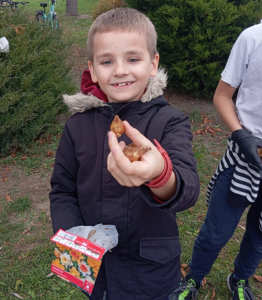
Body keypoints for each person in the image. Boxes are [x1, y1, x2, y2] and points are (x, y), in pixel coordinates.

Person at [49, 8, 200, 300]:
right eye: (107, 61)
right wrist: (74, 240)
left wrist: (160, 174)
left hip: (151, 273)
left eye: (133, 59)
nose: (120, 70)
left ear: (153, 63)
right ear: (92, 69)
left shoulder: (170, 121)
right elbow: (63, 189)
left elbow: (188, 188)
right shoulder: (76, 126)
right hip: (98, 270)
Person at [170, 22, 262, 300]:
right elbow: (222, 96)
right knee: (216, 232)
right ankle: (193, 279)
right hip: (243, 158)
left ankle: (240, 279)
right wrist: (240, 135)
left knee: (260, 235)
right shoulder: (253, 38)